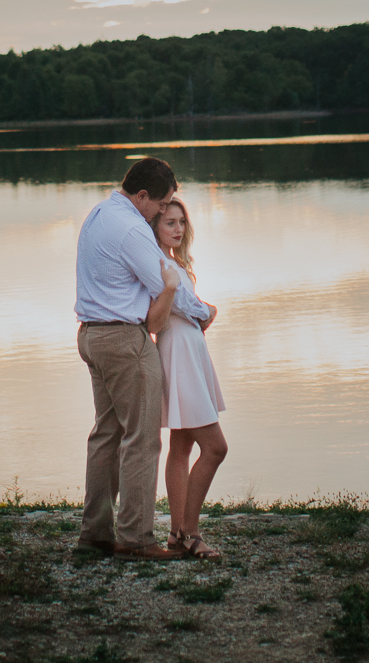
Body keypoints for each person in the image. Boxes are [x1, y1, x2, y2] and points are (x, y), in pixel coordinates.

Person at [73, 155, 207, 560]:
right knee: (143, 439)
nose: (164, 212)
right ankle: (136, 538)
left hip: (92, 336)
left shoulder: (99, 214)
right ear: (143, 195)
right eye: (162, 204)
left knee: (107, 435)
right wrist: (205, 312)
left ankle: (95, 534)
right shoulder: (132, 229)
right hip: (123, 341)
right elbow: (168, 285)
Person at [153, 197, 227, 559]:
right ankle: (191, 532)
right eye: (169, 223)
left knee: (181, 446)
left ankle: (176, 534)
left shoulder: (176, 262)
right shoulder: (161, 262)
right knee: (216, 447)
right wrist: (210, 310)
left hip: (186, 349)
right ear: (155, 226)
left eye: (181, 222)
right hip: (179, 351)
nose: (178, 229)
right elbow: (185, 305)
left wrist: (202, 314)